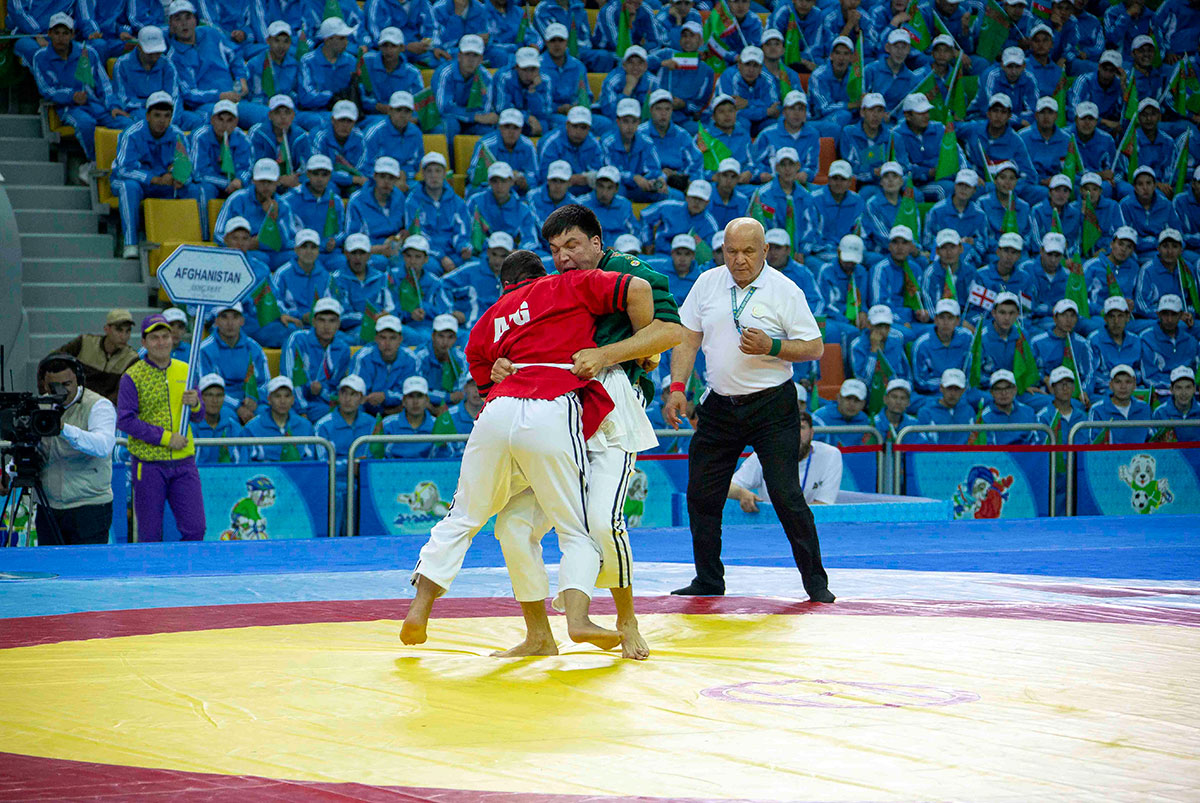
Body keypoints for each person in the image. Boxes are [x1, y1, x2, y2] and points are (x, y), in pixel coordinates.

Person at [402, 249, 660, 657]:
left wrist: (499, 373)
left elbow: (477, 361)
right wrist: (646, 348)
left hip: (497, 411)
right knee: (577, 529)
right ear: (543, 272)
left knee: (463, 516)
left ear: (505, 286)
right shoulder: (564, 283)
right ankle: (576, 618)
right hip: (553, 405)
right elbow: (640, 287)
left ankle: (421, 605)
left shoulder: (491, 315)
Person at [480, 206, 685, 659]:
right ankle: (538, 635)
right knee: (513, 526)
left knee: (601, 522)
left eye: (573, 245)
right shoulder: (548, 288)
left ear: (597, 241)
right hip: (552, 413)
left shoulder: (626, 271)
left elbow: (671, 331)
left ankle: (626, 620)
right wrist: (501, 365)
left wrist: (611, 354)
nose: (564, 257)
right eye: (554, 250)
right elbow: (510, 343)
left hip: (610, 408)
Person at [664, 217, 832, 602]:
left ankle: (816, 584)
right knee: (701, 494)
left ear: (765, 251)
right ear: (721, 250)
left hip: (772, 405)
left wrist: (773, 347)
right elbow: (687, 339)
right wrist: (677, 388)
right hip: (719, 405)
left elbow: (814, 347)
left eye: (748, 252)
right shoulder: (707, 283)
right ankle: (708, 579)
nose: (738, 260)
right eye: (731, 251)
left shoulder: (784, 290)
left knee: (787, 495)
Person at [0, 353, 116, 545]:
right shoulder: (40, 406)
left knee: (87, 571)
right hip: (49, 507)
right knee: (50, 570)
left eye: (67, 384)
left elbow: (103, 446)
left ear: (78, 380)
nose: (61, 390)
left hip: (89, 508)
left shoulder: (98, 406)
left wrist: (62, 428)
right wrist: (8, 474)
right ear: (44, 384)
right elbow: (29, 447)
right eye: (54, 385)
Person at [116, 314, 206, 542]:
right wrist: (166, 438)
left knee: (195, 528)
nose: (161, 342)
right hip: (148, 464)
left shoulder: (185, 370)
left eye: (165, 336)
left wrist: (196, 404)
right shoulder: (132, 376)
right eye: (154, 338)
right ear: (144, 343)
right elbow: (125, 421)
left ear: (172, 339)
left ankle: (187, 574)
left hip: (184, 462)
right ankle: (152, 577)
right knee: (150, 534)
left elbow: (200, 416)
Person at [112, 92, 208, 258]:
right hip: (135, 182)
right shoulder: (131, 133)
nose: (162, 121)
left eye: (166, 116)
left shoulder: (177, 134)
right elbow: (122, 169)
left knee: (193, 189)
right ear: (147, 115)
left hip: (165, 184)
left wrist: (179, 177)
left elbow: (188, 169)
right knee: (129, 187)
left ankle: (197, 244)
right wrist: (154, 179)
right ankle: (130, 243)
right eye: (157, 115)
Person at [31, 13, 126, 174]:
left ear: (73, 35)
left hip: (96, 104)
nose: (61, 38)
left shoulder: (89, 53)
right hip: (69, 108)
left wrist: (113, 106)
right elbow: (46, 89)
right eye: (57, 33)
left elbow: (105, 85)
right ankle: (95, 162)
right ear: (49, 34)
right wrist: (71, 96)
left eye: (65, 33)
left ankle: (125, 161)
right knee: (86, 123)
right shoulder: (40, 57)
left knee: (126, 124)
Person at [730, 410, 842, 513]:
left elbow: (824, 506)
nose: (795, 434)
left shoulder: (830, 455)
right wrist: (741, 493)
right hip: (772, 523)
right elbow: (727, 486)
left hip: (813, 523)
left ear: (811, 433)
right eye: (789, 428)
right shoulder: (763, 455)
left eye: (801, 428)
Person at [315, 375, 377, 537]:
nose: (348, 399)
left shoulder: (372, 424)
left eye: (353, 394)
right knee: (339, 493)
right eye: (344, 393)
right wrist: (351, 466)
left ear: (362, 399)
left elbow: (375, 455)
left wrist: (361, 468)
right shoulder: (323, 425)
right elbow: (322, 465)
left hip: (365, 482)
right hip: (334, 483)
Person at [281, 297, 354, 422]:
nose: (327, 326)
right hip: (292, 403)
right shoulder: (297, 339)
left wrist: (322, 391)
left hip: (322, 404)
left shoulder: (343, 349)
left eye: (332, 321)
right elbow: (289, 379)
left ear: (338, 324)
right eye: (322, 320)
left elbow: (336, 388)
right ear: (313, 321)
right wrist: (301, 411)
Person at [197, 303, 271, 425]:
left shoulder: (254, 348)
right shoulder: (204, 350)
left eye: (235, 317)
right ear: (216, 321)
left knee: (268, 417)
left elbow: (265, 383)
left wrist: (254, 398)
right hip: (220, 403)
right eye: (224, 317)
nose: (230, 323)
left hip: (251, 401)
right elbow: (205, 388)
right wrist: (237, 406)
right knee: (227, 418)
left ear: (242, 321)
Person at [58, 309, 139, 404]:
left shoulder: (131, 359)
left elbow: (120, 394)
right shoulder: (84, 343)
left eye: (128, 331)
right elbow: (52, 361)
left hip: (106, 408)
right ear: (106, 329)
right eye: (119, 330)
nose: (124, 336)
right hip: (74, 401)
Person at [1087, 296, 1143, 400]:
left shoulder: (1136, 340)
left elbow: (1142, 373)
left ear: (1127, 317)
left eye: (1120, 316)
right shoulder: (1094, 340)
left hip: (1132, 393)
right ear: (1105, 319)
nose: (1116, 321)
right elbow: (1090, 374)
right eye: (1112, 317)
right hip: (1104, 394)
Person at [1088, 364, 1151, 444]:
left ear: (1134, 385)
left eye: (1128, 382)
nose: (1123, 386)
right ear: (1111, 385)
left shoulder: (1144, 408)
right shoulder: (1097, 409)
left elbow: (1151, 438)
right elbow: (1093, 444)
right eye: (1118, 382)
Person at [979, 369, 1042, 444]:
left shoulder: (1028, 412)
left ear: (1015, 390)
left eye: (1007, 388)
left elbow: (1037, 442)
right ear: (991, 393)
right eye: (998, 389)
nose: (1003, 393)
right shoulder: (984, 417)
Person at [917, 368, 976, 444]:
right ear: (941, 388)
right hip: (934, 455)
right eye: (949, 388)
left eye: (957, 389)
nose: (953, 393)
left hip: (963, 455)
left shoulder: (969, 411)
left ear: (963, 391)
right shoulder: (926, 412)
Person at [1152, 367, 1200, 442]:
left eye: (1188, 387)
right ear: (1171, 390)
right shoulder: (1160, 413)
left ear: (1194, 389)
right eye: (1179, 388)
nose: (1184, 393)